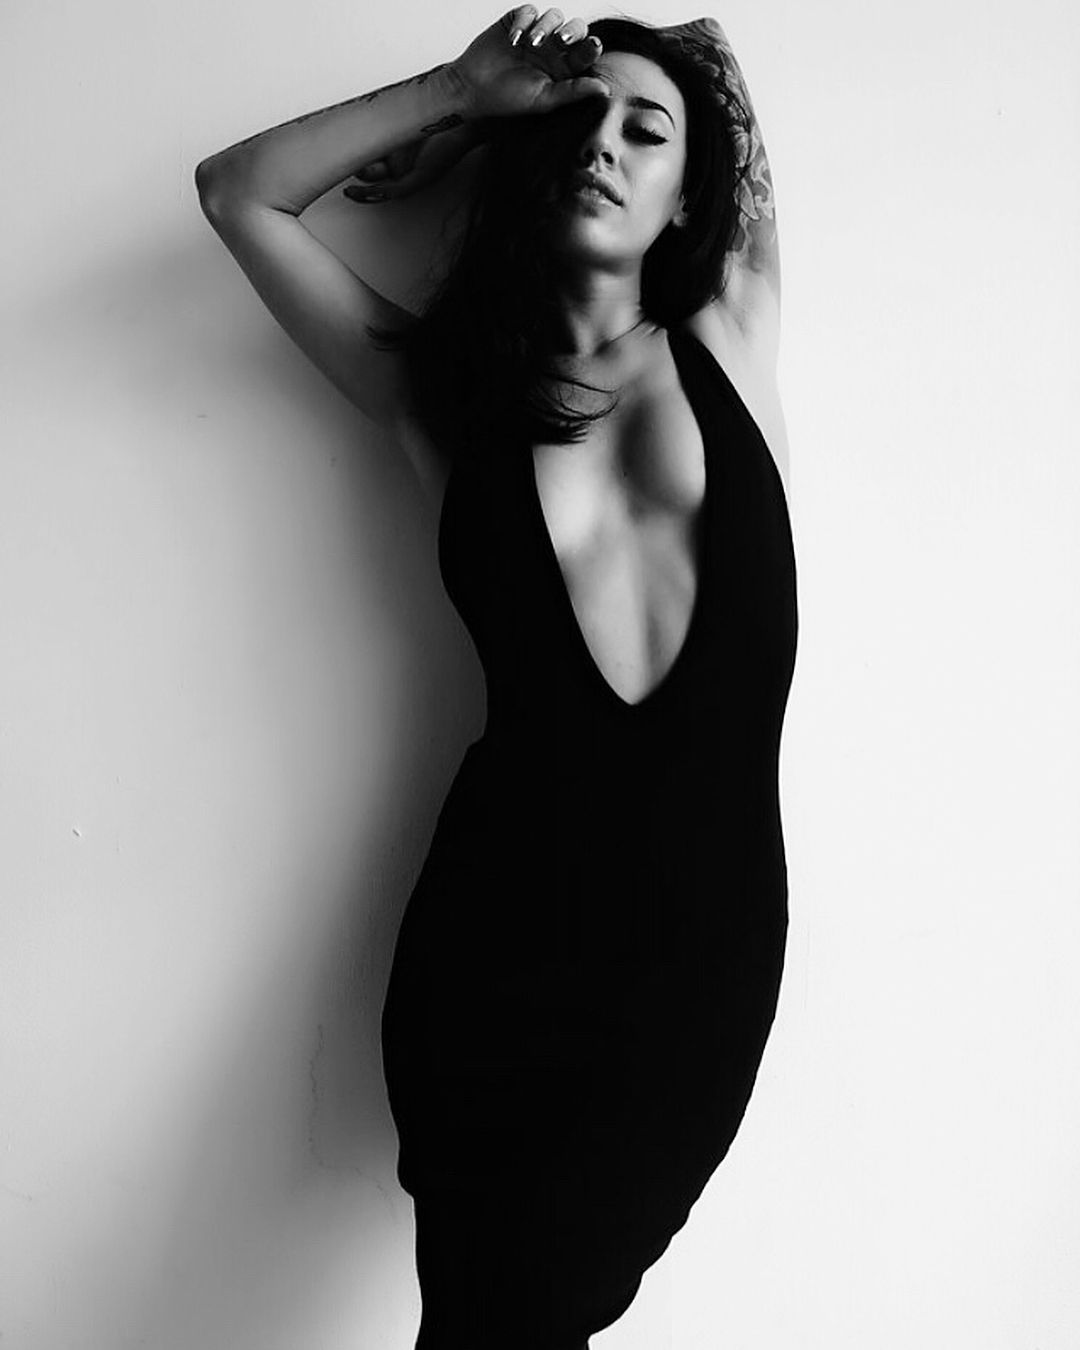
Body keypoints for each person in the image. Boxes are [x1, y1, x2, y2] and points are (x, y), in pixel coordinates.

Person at [196, 7, 797, 1346]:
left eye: (643, 130)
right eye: (577, 122)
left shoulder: (735, 329)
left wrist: (523, 105)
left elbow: (711, 46)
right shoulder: (442, 391)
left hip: (698, 963)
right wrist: (457, 95)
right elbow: (239, 193)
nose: (604, 145)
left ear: (688, 191)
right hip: (497, 946)